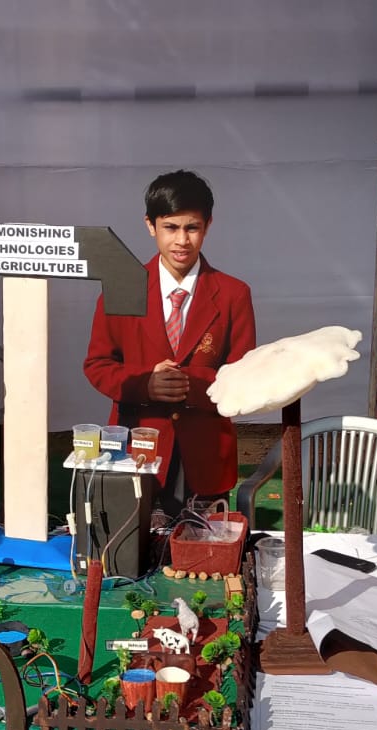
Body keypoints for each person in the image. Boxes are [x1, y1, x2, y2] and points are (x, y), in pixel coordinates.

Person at [84, 170, 255, 515]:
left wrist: (189, 383)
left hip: (206, 451)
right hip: (138, 448)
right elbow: (98, 365)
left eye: (192, 228)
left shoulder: (233, 294)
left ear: (208, 225)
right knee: (136, 543)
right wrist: (144, 383)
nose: (182, 240)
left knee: (204, 544)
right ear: (150, 225)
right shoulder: (122, 289)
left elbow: (245, 375)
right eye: (170, 227)